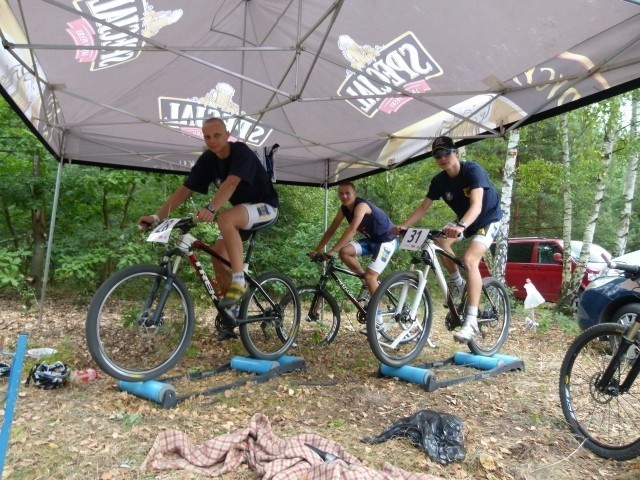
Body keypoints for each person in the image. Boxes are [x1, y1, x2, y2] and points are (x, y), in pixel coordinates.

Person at [138, 117, 279, 337]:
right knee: (216, 257)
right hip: (241, 212)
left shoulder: (240, 151)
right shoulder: (207, 159)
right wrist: (157, 217)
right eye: (207, 137)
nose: (212, 141)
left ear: (227, 134)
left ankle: (240, 281)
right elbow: (185, 190)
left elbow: (231, 183)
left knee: (224, 218)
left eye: (217, 135)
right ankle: (230, 314)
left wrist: (211, 208)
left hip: (265, 208)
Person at [392, 136, 502, 343]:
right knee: (440, 242)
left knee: (470, 260)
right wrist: (405, 226)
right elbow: (423, 208)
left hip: (488, 218)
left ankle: (470, 322)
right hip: (464, 219)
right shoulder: (439, 181)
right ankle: (458, 284)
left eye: (445, 153)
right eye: (436, 155)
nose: (441, 158)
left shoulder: (472, 170)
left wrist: (460, 226)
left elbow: (477, 205)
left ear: (456, 152)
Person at [310, 182, 397, 333]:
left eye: (347, 193)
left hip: (387, 241)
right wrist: (317, 249)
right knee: (345, 252)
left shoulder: (361, 206)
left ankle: (378, 323)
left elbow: (351, 230)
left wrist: (331, 251)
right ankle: (364, 280)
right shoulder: (344, 209)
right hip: (372, 241)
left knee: (371, 277)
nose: (344, 196)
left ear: (354, 194)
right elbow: (331, 230)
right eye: (341, 193)